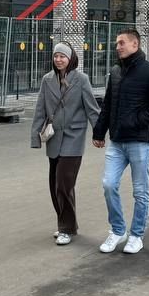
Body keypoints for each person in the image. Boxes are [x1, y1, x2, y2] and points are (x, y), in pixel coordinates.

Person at [92, 29, 149, 255]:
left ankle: (136, 235)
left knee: (140, 191)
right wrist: (99, 131)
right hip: (117, 142)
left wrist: (135, 120)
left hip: (139, 142)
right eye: (117, 43)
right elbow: (108, 104)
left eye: (122, 43)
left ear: (135, 45)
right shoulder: (116, 71)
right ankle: (118, 230)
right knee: (109, 184)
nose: (117, 47)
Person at [30, 43, 100, 246]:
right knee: (55, 185)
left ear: (71, 59)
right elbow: (40, 109)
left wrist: (99, 133)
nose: (58, 60)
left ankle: (66, 229)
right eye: (56, 56)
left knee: (63, 183)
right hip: (54, 138)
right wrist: (35, 136)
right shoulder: (47, 80)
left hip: (74, 137)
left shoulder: (81, 79)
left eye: (63, 56)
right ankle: (67, 224)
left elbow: (92, 109)